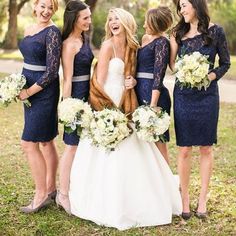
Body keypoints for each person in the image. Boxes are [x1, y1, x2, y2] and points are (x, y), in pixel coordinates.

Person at [69, 8, 182, 230]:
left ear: (126, 21)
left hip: (128, 101)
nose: (112, 22)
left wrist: (131, 83)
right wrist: (106, 112)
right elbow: (98, 82)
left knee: (136, 149)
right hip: (108, 102)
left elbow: (135, 73)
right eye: (110, 19)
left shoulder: (133, 46)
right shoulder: (107, 46)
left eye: (116, 18)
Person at [170, 0, 230, 220]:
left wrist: (208, 76)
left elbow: (224, 63)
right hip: (183, 95)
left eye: (184, 5)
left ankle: (202, 199)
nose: (181, 10)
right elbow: (172, 65)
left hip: (207, 96)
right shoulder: (177, 33)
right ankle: (184, 198)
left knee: (206, 147)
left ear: (196, 5)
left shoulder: (216, 32)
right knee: (184, 149)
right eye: (180, 6)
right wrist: (184, 70)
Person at [18, 0, 61, 213]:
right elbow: (28, 60)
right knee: (45, 140)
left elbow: (52, 72)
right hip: (28, 85)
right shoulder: (28, 28)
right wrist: (17, 84)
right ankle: (51, 188)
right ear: (34, 6)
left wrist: (28, 91)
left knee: (28, 143)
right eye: (42, 6)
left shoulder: (53, 33)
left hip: (43, 91)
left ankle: (41, 194)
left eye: (50, 8)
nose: (46, 11)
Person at [56, 0, 93, 215]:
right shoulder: (69, 44)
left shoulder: (84, 38)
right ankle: (63, 194)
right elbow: (67, 79)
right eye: (85, 18)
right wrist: (67, 105)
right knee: (72, 145)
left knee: (85, 144)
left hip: (90, 95)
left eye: (89, 16)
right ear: (75, 20)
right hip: (76, 96)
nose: (89, 20)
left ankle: (79, 188)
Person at [135, 6, 173, 164]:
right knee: (142, 142)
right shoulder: (144, 38)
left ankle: (165, 183)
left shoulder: (163, 43)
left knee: (158, 141)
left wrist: (152, 106)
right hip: (138, 91)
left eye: (148, 23)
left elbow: (159, 75)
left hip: (154, 96)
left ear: (156, 25)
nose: (144, 26)